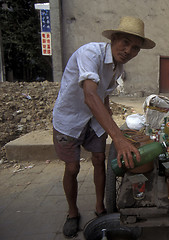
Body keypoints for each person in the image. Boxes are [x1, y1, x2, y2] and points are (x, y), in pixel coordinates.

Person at [52, 16, 155, 238]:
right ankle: (72, 213)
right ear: (114, 38)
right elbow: (90, 94)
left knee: (99, 161)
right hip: (69, 119)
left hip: (93, 119)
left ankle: (100, 208)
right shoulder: (90, 53)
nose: (128, 50)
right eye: (125, 42)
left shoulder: (117, 68)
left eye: (135, 48)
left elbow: (103, 96)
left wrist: (117, 128)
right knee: (72, 168)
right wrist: (117, 137)